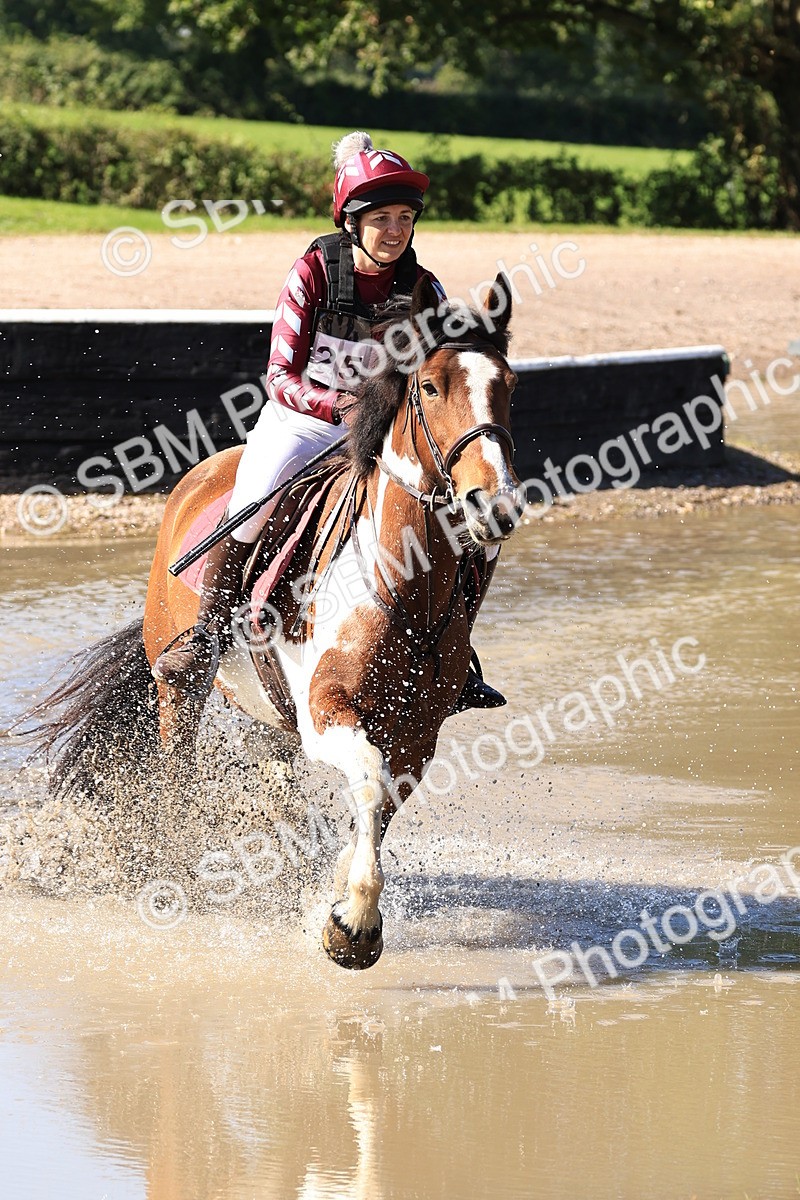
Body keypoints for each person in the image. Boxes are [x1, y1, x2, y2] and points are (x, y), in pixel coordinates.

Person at [154, 131, 505, 711]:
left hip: (387, 431)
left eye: (404, 218)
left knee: (471, 525)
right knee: (257, 493)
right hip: (303, 422)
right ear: (351, 221)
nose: (395, 231)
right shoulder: (313, 271)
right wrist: (337, 408)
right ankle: (208, 633)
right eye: (382, 219)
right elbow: (279, 377)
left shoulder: (425, 289)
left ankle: (455, 653)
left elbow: (442, 377)